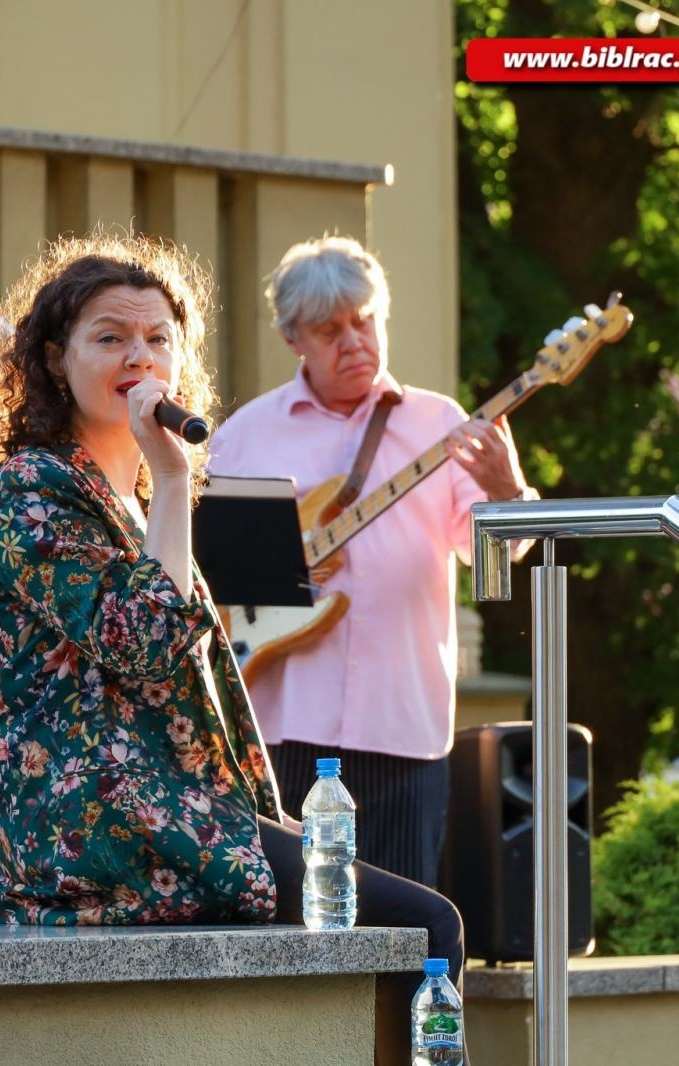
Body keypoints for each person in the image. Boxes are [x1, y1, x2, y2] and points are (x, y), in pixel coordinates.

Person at [0, 233, 468, 1064]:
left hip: (179, 813)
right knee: (428, 927)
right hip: (108, 832)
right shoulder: (32, 492)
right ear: (56, 361)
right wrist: (171, 481)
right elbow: (149, 644)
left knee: (403, 927)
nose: (141, 355)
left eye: (159, 338)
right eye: (111, 337)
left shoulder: (127, 501)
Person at [208, 235, 535, 889]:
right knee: (286, 923)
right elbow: (208, 573)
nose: (354, 340)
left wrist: (506, 493)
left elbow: (492, 556)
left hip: (401, 728)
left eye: (365, 320)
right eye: (331, 330)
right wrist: (278, 568)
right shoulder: (245, 433)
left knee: (404, 925)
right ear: (293, 337)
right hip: (281, 726)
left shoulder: (442, 424)